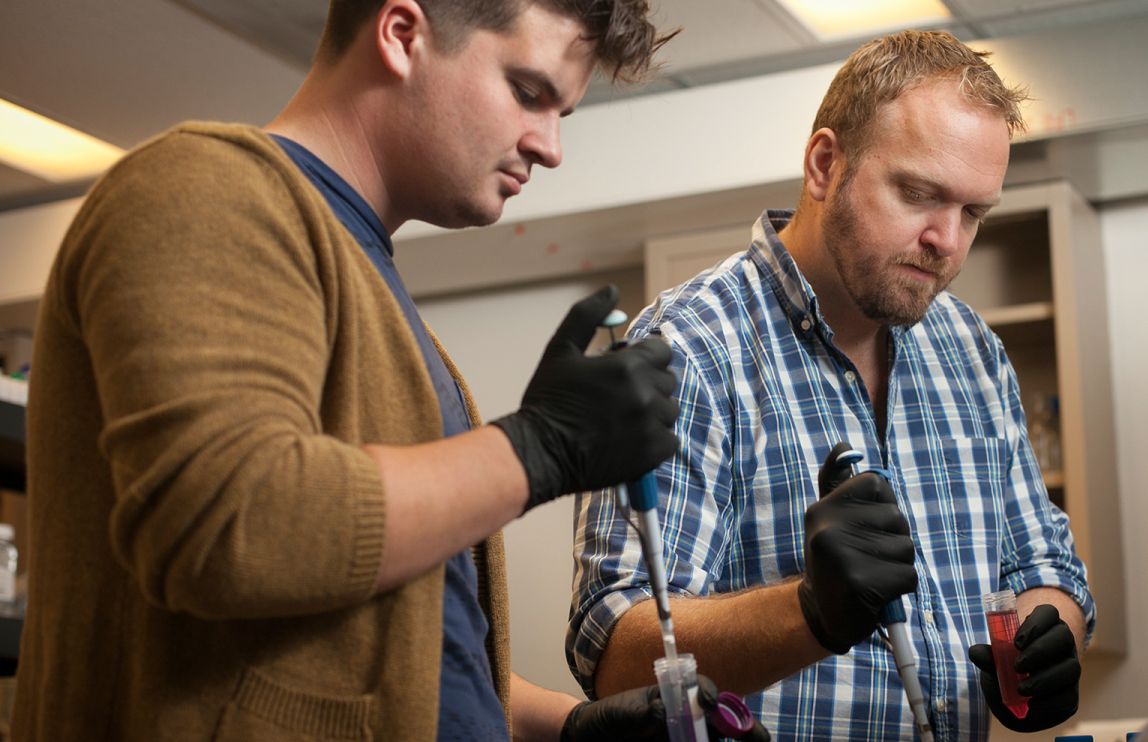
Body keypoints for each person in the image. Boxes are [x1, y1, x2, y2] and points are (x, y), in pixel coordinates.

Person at [12, 1, 769, 741]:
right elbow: (229, 528)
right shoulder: (203, 187)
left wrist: (564, 725)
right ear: (402, 34)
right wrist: (536, 450)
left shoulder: (384, 306)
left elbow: (392, 643)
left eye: (560, 114)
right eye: (529, 93)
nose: (549, 147)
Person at [569, 30, 1094, 741]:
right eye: (918, 193)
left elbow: (1042, 564)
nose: (947, 239)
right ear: (825, 165)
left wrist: (1051, 633)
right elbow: (613, 650)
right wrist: (811, 610)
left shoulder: (972, 351)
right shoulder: (688, 348)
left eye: (973, 212)